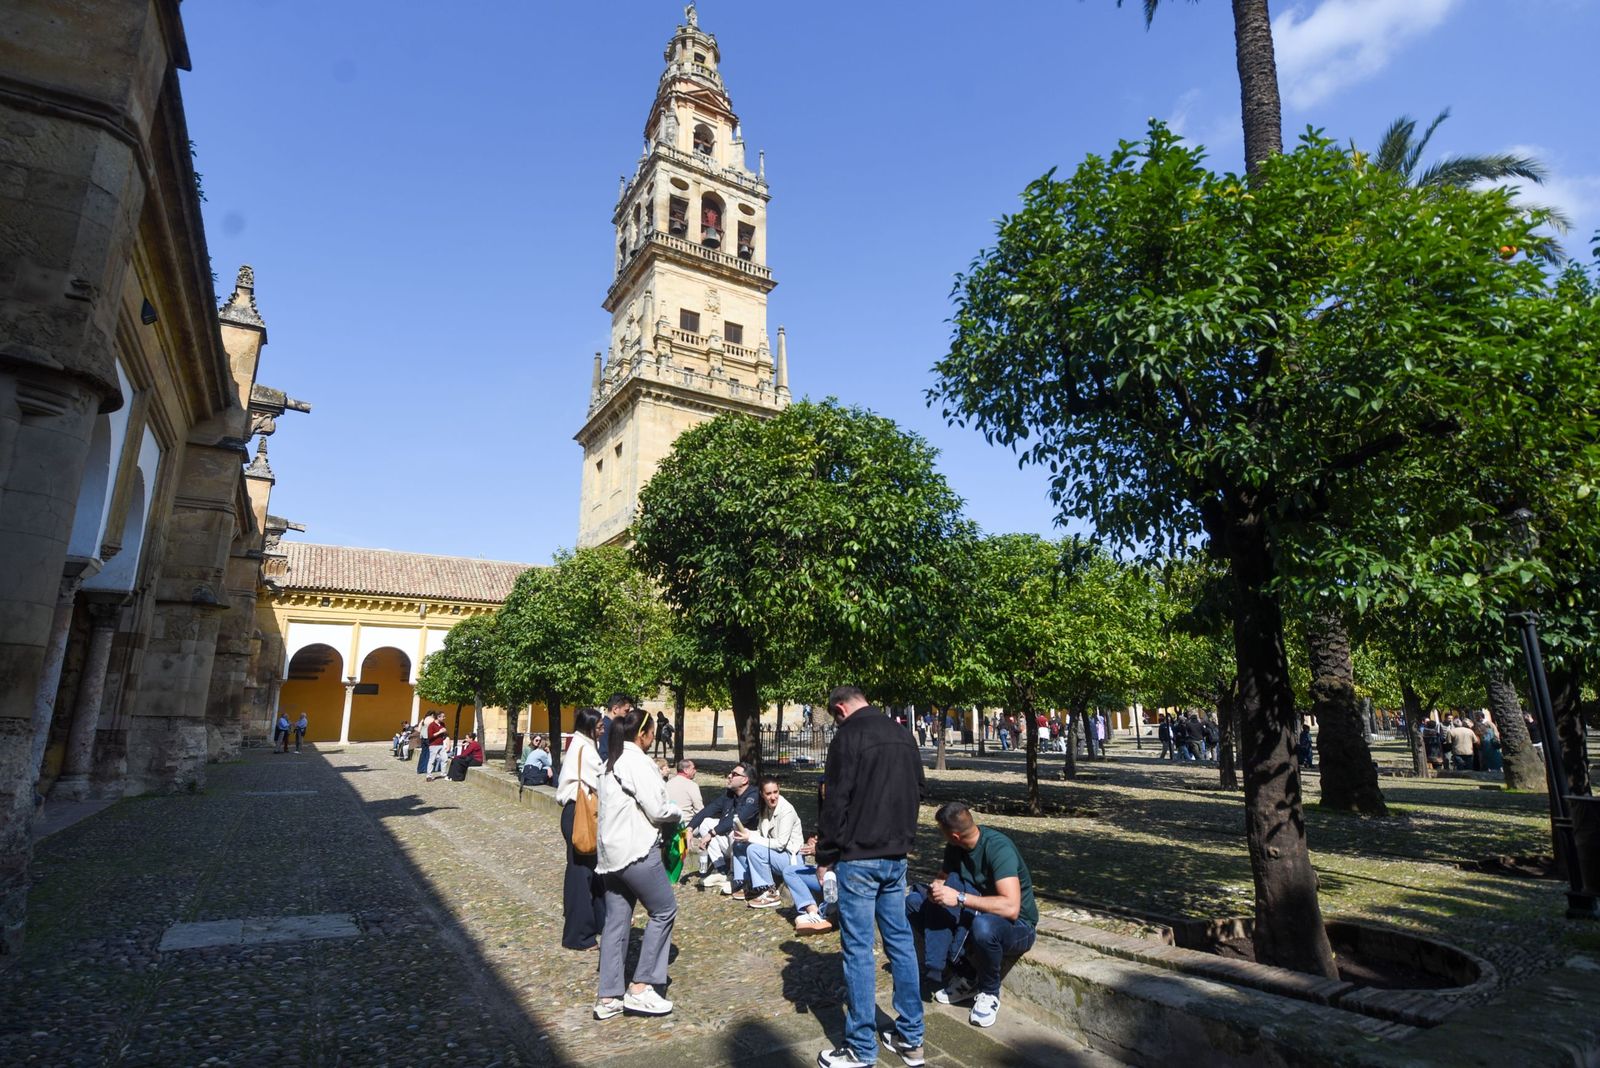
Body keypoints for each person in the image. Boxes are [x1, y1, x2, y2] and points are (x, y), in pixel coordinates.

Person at [814, 685, 924, 1068]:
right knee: (901, 944)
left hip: (859, 857)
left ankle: (861, 1048)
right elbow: (918, 790)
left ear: (840, 709)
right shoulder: (903, 733)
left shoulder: (848, 736)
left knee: (858, 950)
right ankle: (911, 1038)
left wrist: (825, 856)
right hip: (896, 855)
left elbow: (835, 801)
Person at [907, 801, 1037, 1029]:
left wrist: (959, 898)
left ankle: (989, 992)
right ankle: (966, 975)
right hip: (976, 912)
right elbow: (942, 878)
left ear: (955, 835)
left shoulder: (998, 849)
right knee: (913, 904)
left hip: (1017, 926)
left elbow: (1011, 908)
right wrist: (936, 890)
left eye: (942, 832)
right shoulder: (955, 847)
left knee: (983, 926)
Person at [594, 708, 681, 1020]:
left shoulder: (610, 762)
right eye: (652, 733)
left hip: (610, 855)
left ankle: (608, 996)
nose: (654, 738)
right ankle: (641, 987)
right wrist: (677, 812)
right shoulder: (637, 762)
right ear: (643, 734)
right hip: (636, 850)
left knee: (616, 921)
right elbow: (658, 809)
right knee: (664, 910)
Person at [556, 708, 606, 950]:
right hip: (581, 813)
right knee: (582, 874)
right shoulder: (585, 749)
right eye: (599, 726)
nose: (603, 730)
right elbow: (601, 780)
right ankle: (578, 935)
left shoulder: (582, 744)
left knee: (591, 871)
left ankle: (598, 921)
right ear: (589, 727)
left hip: (577, 812)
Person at [737, 776, 806, 911]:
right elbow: (761, 833)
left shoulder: (786, 810)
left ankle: (771, 893)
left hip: (791, 857)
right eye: (768, 794)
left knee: (753, 849)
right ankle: (747, 883)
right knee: (739, 845)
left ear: (779, 790)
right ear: (762, 794)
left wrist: (750, 837)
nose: (773, 797)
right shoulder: (765, 808)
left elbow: (780, 844)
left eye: (775, 792)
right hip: (777, 854)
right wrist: (746, 833)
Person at [688, 762, 759, 892]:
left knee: (735, 830)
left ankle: (736, 876)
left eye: (734, 774)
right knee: (706, 822)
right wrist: (690, 828)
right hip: (731, 844)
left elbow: (737, 819)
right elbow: (708, 810)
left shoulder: (754, 796)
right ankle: (721, 870)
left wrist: (712, 833)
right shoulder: (729, 794)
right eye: (730, 773)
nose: (729, 776)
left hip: (749, 846)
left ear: (744, 780)